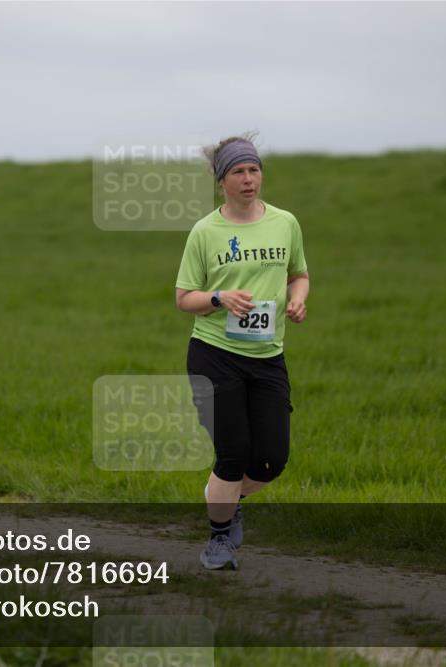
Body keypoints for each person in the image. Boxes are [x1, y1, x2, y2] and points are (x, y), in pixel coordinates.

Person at [175, 135, 309, 570]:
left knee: (271, 460)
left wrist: (298, 299)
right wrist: (219, 299)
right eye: (238, 172)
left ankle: (225, 503)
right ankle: (219, 540)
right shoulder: (205, 231)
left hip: (268, 356)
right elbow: (183, 298)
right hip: (215, 353)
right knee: (232, 454)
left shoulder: (285, 222)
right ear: (221, 181)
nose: (248, 179)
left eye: (253, 170)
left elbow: (299, 274)